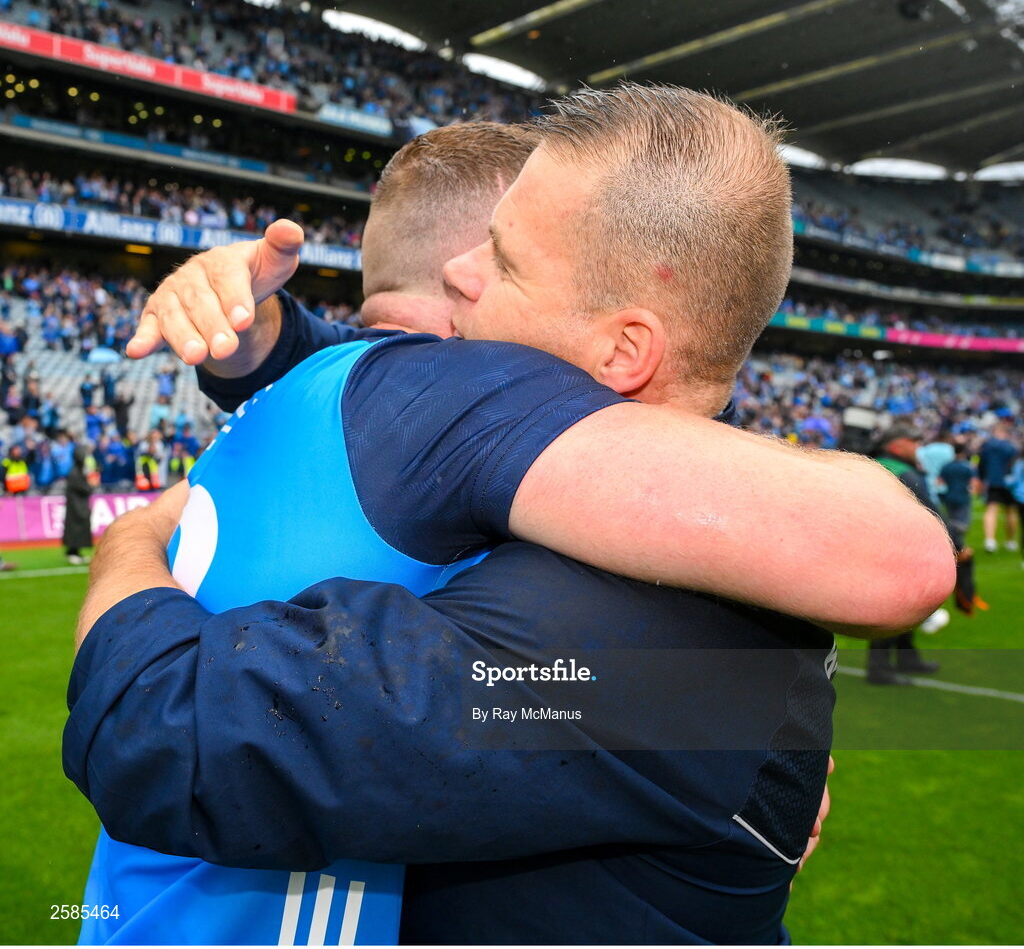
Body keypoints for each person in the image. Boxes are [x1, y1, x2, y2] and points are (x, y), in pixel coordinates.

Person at [66, 95, 951, 944]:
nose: (458, 273)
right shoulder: (642, 529)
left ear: (624, 351)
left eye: (504, 260)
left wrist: (131, 540)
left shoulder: (639, 637)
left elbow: (166, 727)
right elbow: (394, 386)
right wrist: (266, 336)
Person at [868, 422, 946, 684]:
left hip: (879, 546)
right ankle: (880, 668)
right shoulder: (903, 471)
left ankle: (904, 657)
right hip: (898, 550)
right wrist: (956, 543)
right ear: (897, 445)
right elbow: (930, 509)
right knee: (895, 610)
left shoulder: (871, 465)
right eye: (912, 442)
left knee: (900, 608)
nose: (917, 447)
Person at [979, 420, 1019, 552]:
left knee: (991, 510)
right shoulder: (1011, 447)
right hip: (1010, 482)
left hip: (993, 481)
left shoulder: (987, 446)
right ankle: (1011, 541)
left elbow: (982, 464)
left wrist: (982, 477)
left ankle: (990, 540)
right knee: (1011, 511)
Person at [62, 446, 95, 565]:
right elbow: (84, 488)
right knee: (75, 529)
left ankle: (77, 551)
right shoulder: (75, 472)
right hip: (75, 506)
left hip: (79, 505)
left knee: (80, 529)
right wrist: (91, 486)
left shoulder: (79, 470)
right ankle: (72, 552)